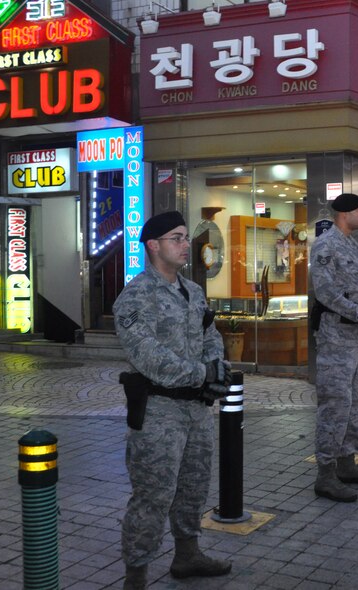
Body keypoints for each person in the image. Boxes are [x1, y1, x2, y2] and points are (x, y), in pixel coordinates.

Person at [113, 211, 232, 590]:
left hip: (196, 409)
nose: (185, 245)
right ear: (153, 245)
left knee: (194, 485)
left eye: (185, 238)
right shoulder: (134, 297)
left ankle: (187, 555)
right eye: (176, 238)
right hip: (159, 411)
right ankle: (136, 574)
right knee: (153, 495)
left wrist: (217, 366)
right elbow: (146, 354)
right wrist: (202, 374)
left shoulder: (192, 291)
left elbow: (210, 332)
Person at [310, 192, 358, 502]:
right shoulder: (326, 245)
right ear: (343, 213)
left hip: (356, 339)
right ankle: (325, 474)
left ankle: (346, 463)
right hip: (337, 339)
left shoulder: (353, 244)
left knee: (356, 404)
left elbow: (354, 288)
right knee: (335, 405)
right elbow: (326, 293)